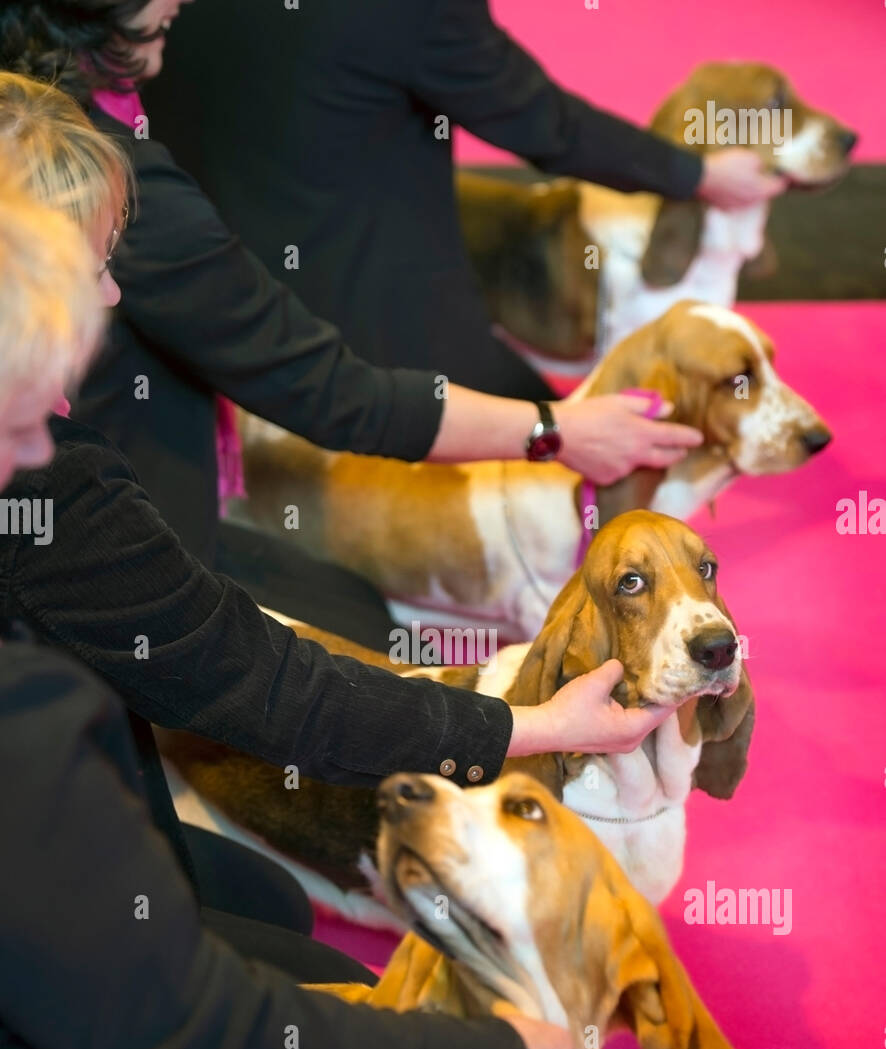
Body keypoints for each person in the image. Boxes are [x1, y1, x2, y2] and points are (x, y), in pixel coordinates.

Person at [0, 166, 577, 1049]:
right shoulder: (33, 695)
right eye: (23, 413)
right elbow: (177, 1020)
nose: (35, 452)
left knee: (262, 910)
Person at [0, 70, 677, 947]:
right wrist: (530, 726)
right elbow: (271, 686)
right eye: (94, 270)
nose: (113, 296)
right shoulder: (64, 497)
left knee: (271, 899)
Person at [0, 1, 703, 641]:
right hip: (158, 507)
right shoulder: (113, 184)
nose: (179, 3)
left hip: (257, 356)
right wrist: (554, 431)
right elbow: (323, 387)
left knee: (358, 618)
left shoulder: (60, 119)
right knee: (369, 665)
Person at [147, 0, 788, 399]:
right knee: (554, 449)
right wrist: (694, 173)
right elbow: (543, 123)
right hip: (339, 315)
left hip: (167, 260)